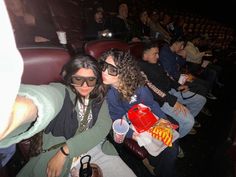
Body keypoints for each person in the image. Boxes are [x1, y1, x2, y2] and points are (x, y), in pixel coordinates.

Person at [0, 55, 136, 177]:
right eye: (78, 79)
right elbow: (47, 99)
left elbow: (103, 127)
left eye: (91, 80)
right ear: (70, 78)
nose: (85, 86)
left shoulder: (99, 98)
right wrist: (22, 107)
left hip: (94, 149)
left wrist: (66, 150)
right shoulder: (62, 92)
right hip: (55, 156)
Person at [99, 49, 179, 177]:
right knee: (165, 148)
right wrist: (132, 134)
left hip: (145, 116)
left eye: (112, 69)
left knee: (171, 144)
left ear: (124, 72)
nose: (104, 72)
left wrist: (163, 119)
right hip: (129, 123)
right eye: (103, 66)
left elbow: (151, 104)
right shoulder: (110, 94)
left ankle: (159, 167)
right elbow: (116, 118)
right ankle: (159, 167)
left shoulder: (138, 87)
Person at [139, 42, 207, 137]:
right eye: (155, 54)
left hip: (171, 92)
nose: (158, 56)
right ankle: (176, 140)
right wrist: (172, 101)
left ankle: (182, 121)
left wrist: (178, 86)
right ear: (145, 55)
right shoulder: (141, 68)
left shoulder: (156, 62)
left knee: (201, 100)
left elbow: (168, 76)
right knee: (189, 122)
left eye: (158, 53)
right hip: (162, 99)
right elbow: (151, 88)